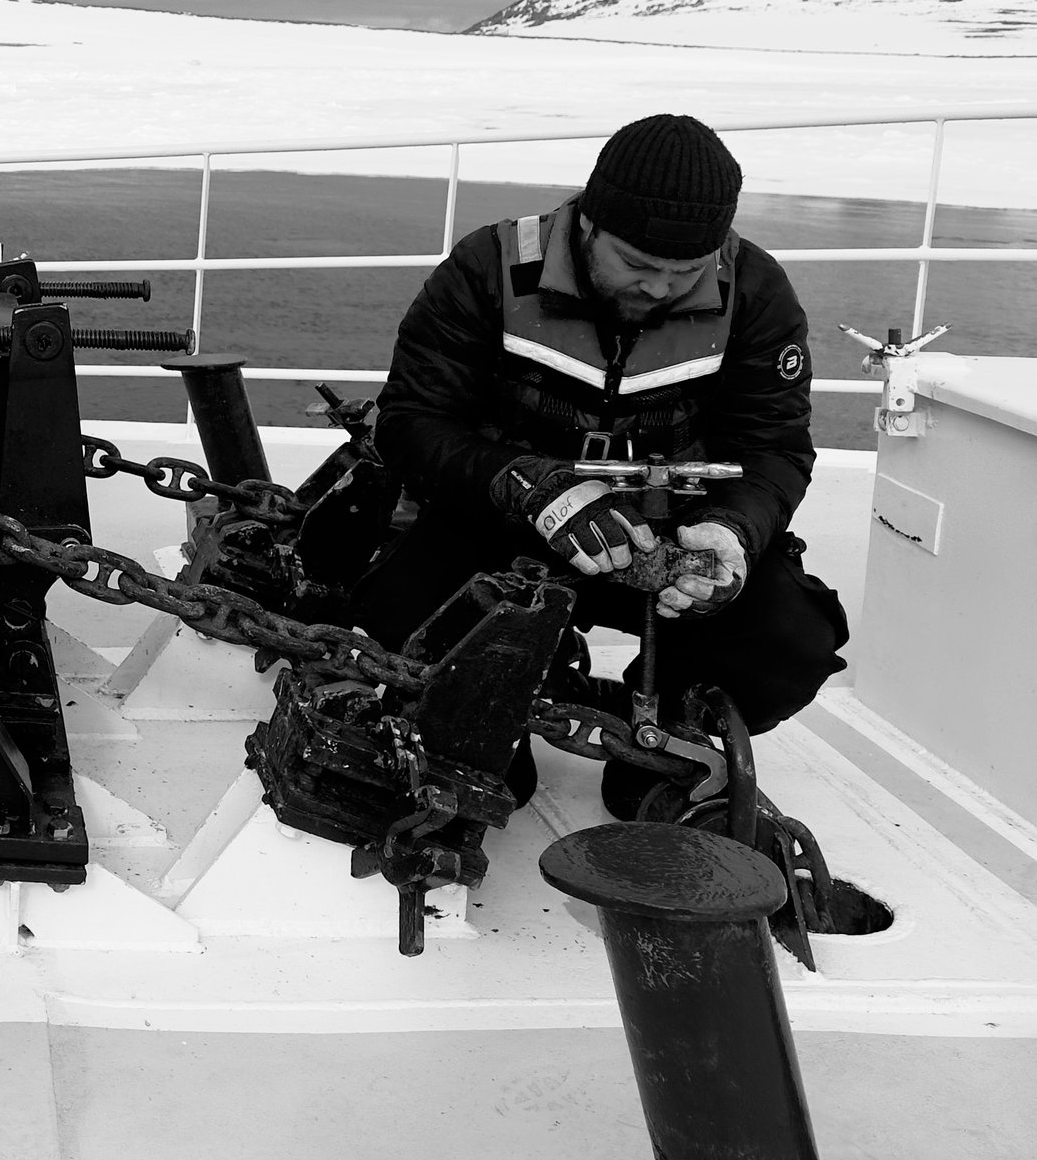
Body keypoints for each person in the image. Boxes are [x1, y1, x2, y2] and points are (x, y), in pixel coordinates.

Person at [349, 112, 848, 816]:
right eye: (638, 265)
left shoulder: (756, 292)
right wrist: (532, 485)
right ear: (587, 223)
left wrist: (733, 532)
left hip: (670, 542)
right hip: (507, 528)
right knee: (401, 603)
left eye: (684, 272)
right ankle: (491, 726)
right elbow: (411, 422)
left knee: (789, 640)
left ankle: (668, 737)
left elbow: (774, 449)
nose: (658, 288)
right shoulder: (487, 268)